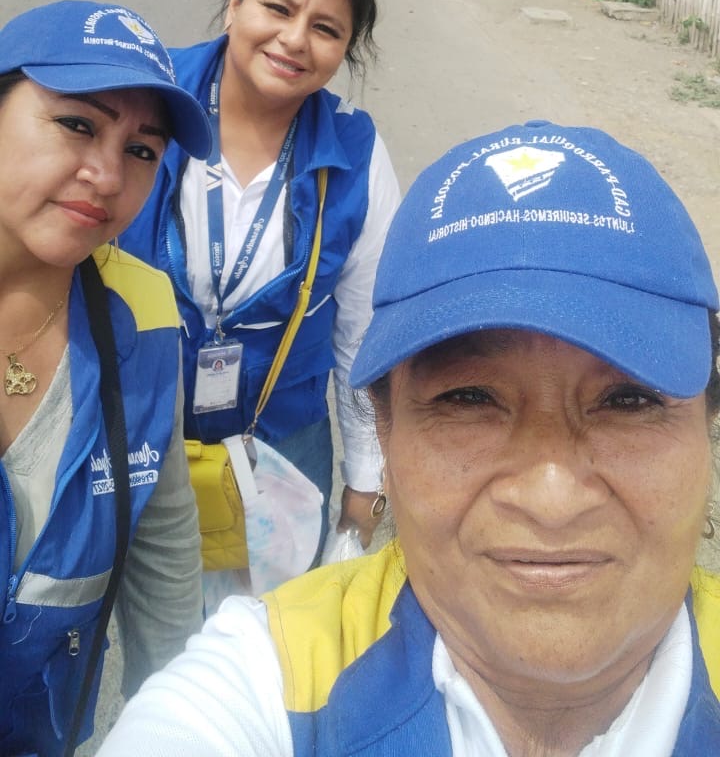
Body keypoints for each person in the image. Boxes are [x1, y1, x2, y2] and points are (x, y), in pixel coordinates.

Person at [99, 120, 720, 756]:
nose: (550, 500)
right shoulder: (264, 681)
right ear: (385, 426)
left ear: (707, 426)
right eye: (469, 399)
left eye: (628, 402)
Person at [121, 0, 401, 579]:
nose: (295, 40)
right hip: (134, 434)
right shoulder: (145, 101)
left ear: (346, 48)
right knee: (145, 622)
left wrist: (363, 486)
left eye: (327, 29)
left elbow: (361, 334)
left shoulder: (357, 156)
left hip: (282, 451)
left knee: (272, 629)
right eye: (278, 8)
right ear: (236, 1)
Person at [0, 0, 212, 757]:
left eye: (142, 150)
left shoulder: (145, 315)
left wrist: (177, 727)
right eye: (77, 124)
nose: (107, 175)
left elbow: (163, 539)